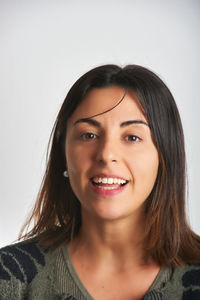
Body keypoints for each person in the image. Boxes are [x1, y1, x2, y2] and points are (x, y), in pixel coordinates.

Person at [1, 64, 200, 300]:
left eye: (132, 137)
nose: (106, 154)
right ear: (63, 153)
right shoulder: (10, 276)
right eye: (89, 135)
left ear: (165, 156)